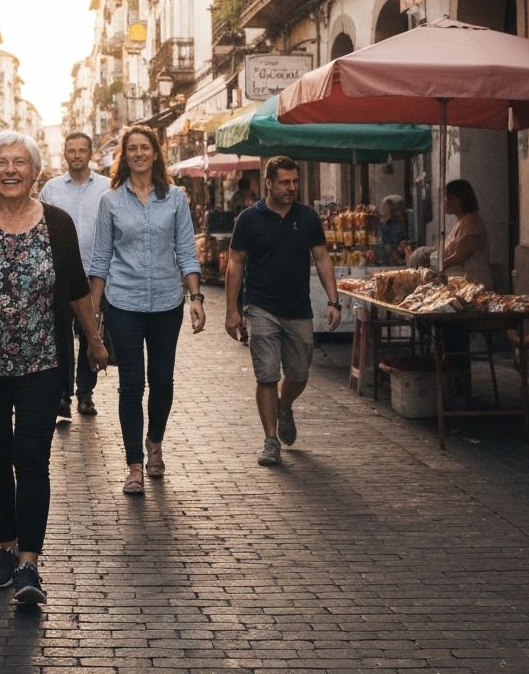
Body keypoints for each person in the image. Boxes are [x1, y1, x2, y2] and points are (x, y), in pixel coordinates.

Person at [0, 131, 106, 606]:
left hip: (42, 364)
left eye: (19, 162)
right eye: (1, 162)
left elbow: (76, 290)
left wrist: (94, 341)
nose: (10, 170)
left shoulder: (57, 223)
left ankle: (29, 562)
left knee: (31, 458)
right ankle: (6, 548)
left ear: (35, 172)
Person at [88, 126, 205, 496]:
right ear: (124, 155)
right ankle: (134, 465)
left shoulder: (175, 198)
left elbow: (186, 250)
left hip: (167, 302)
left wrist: (196, 297)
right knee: (131, 384)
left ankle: (155, 441)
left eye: (145, 148)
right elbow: (100, 259)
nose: (138, 154)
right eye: (132, 148)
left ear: (156, 153)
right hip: (123, 301)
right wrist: (93, 314)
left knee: (163, 381)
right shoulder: (110, 200)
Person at [224, 155, 341, 467]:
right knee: (266, 375)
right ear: (269, 183)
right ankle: (270, 440)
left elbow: (322, 258)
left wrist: (333, 300)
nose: (292, 188)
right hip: (260, 306)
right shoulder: (248, 219)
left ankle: (284, 404)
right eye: (285, 182)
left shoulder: (307, 217)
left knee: (299, 373)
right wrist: (232, 311)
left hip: (298, 308)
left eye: (295, 182)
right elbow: (235, 263)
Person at [38, 130, 110, 418]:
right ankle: (63, 394)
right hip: (60, 274)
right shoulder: (51, 189)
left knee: (91, 333)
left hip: (96, 274)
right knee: (61, 336)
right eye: (72, 150)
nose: (77, 155)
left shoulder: (107, 187)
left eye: (82, 150)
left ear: (90, 153)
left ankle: (86, 393)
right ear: (64, 153)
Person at [442, 179, 491, 285]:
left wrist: (440, 266)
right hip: (460, 282)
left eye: (451, 198)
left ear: (463, 199)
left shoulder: (472, 222)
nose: (446, 201)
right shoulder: (461, 221)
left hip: (473, 284)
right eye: (446, 197)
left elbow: (459, 256)